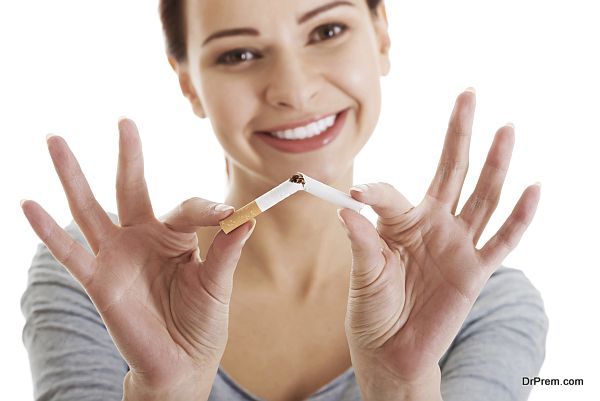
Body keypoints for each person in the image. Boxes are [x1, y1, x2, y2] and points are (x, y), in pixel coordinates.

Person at [20, 1, 548, 400]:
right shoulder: (98, 275)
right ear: (189, 84)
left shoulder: (484, 304)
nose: (293, 90)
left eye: (327, 30)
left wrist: (400, 385)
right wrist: (165, 392)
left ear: (382, 35)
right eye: (239, 53)